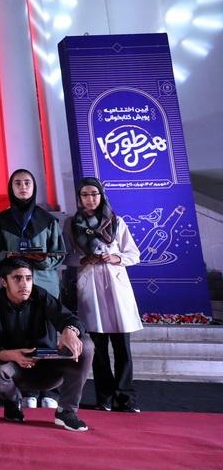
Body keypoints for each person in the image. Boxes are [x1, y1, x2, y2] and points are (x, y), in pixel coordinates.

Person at [0, 258, 94, 431]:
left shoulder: (40, 295)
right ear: (4, 282)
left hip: (48, 368)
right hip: (15, 370)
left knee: (86, 345)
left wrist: (70, 331)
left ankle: (66, 411)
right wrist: (14, 355)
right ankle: (13, 401)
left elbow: (68, 318)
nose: (24, 284)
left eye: (28, 278)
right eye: (17, 278)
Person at [64, 177, 143, 413]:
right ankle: (104, 398)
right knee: (98, 349)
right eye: (85, 195)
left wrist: (116, 257)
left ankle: (126, 398)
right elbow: (66, 256)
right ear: (79, 198)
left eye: (94, 194)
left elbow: (134, 254)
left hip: (116, 288)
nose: (90, 199)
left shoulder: (116, 222)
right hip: (90, 287)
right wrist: (84, 259)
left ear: (101, 196)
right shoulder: (71, 224)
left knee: (122, 348)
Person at [0, 168, 65, 409]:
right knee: (21, 336)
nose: (23, 187)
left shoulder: (47, 219)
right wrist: (9, 256)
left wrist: (39, 260)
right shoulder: (2, 221)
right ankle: (28, 388)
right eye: (18, 183)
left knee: (48, 337)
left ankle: (51, 391)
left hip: (44, 284)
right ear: (11, 188)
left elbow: (59, 253)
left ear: (34, 187)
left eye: (27, 183)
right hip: (16, 287)